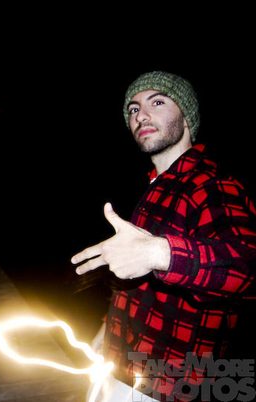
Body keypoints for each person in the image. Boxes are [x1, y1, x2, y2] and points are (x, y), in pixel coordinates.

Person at [71, 71, 256, 401]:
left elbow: (246, 267)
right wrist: (106, 327)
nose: (141, 115)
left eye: (157, 103)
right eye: (133, 109)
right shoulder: (156, 185)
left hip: (167, 383)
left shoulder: (211, 185)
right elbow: (138, 282)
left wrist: (160, 254)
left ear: (186, 118)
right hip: (120, 363)